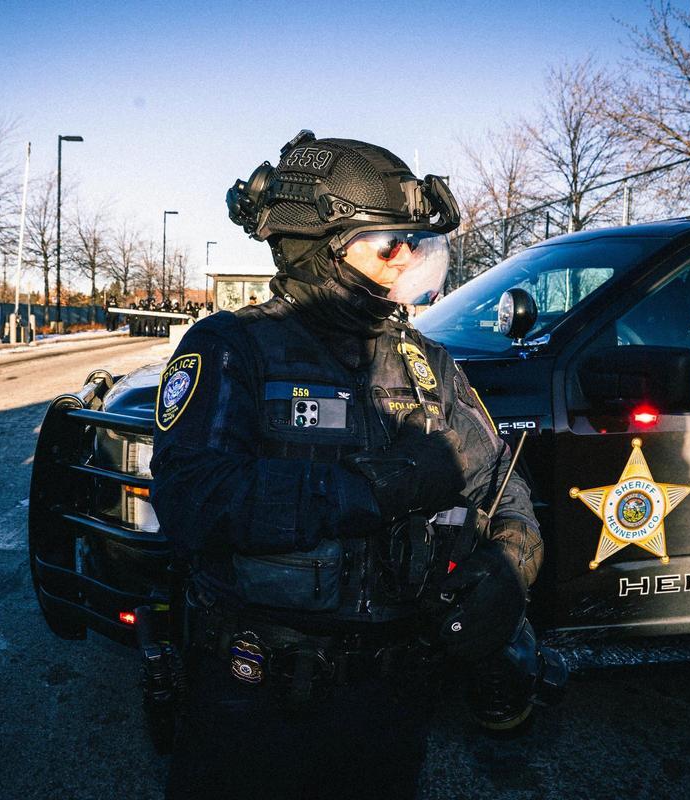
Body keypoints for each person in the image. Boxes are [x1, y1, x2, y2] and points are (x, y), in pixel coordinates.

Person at [150, 131, 564, 799]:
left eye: (415, 244)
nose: (409, 260)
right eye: (389, 244)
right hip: (254, 700)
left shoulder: (428, 363)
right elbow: (193, 499)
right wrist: (377, 487)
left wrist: (509, 565)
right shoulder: (234, 347)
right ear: (322, 249)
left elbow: (502, 487)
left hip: (390, 701)